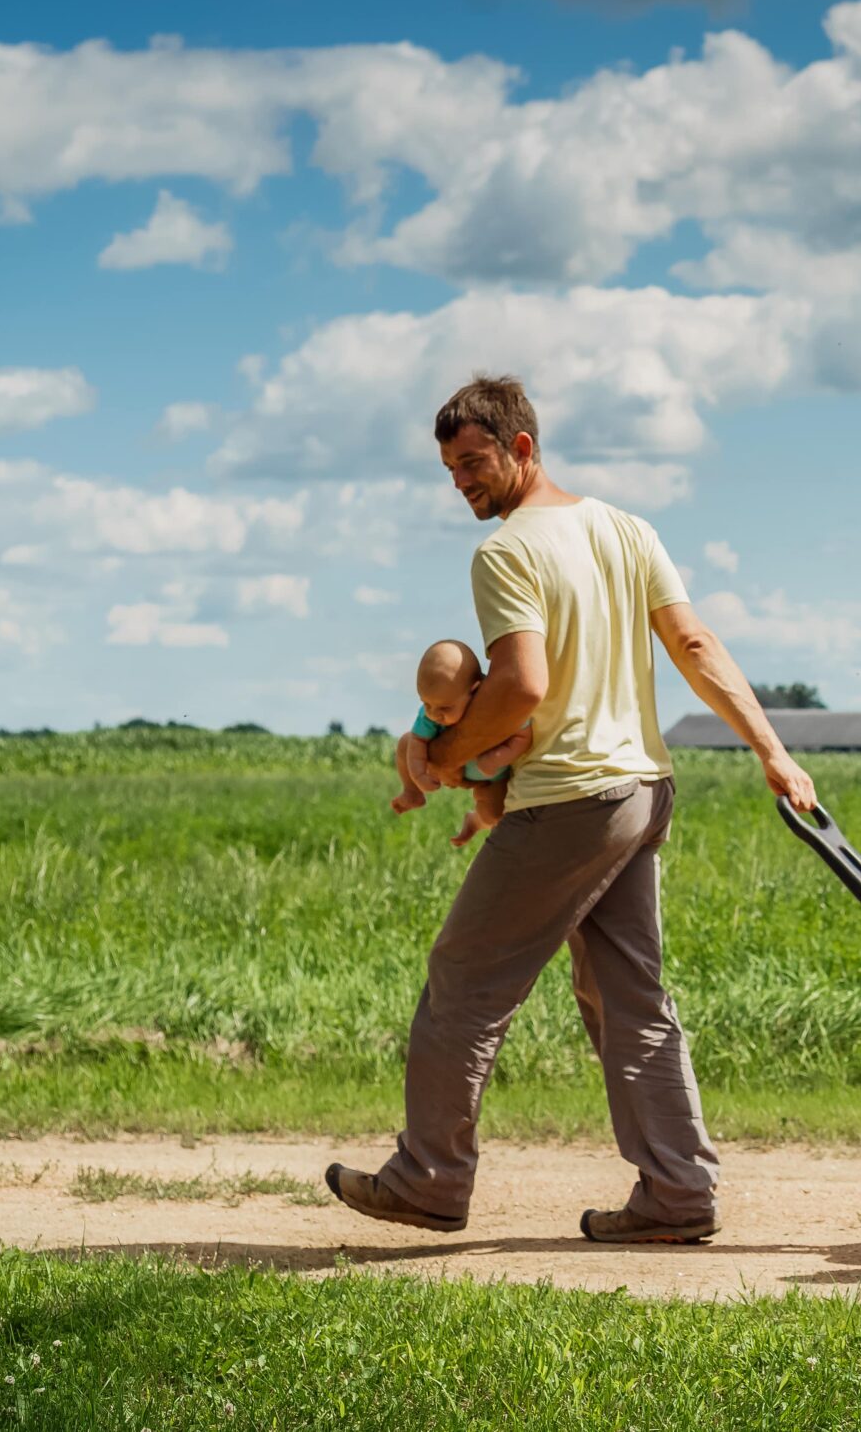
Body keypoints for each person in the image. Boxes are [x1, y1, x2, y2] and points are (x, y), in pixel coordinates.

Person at [325, 374, 817, 1244]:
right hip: (644, 791)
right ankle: (677, 1192)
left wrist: (440, 755)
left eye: (474, 462)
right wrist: (771, 749)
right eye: (449, 469)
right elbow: (694, 645)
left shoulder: (508, 551)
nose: (462, 482)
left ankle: (430, 1177)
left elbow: (520, 685)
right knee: (631, 998)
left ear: (523, 447)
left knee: (464, 982)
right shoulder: (627, 529)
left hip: (571, 801)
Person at [390, 637, 534, 850]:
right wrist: (419, 775)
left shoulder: (495, 709)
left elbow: (524, 736)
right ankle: (412, 792)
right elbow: (419, 740)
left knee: (495, 813)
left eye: (445, 708)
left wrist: (498, 758)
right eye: (426, 704)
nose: (433, 714)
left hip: (490, 778)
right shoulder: (432, 713)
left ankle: (475, 821)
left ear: (475, 690)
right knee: (406, 743)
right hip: (447, 764)